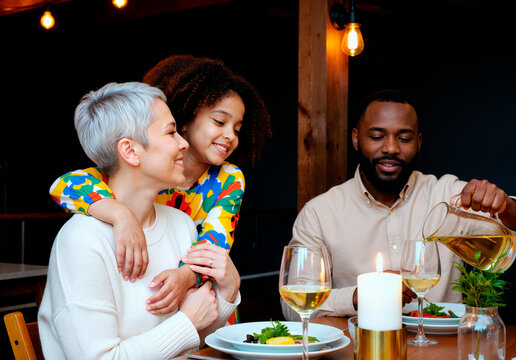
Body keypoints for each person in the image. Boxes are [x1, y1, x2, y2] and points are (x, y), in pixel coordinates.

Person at [49, 55, 270, 320]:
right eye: (220, 122)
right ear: (186, 120)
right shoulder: (147, 170)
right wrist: (122, 216)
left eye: (237, 128)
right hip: (153, 300)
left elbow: (215, 241)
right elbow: (65, 185)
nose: (231, 135)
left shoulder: (228, 178)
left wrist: (185, 277)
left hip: (202, 295)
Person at [38, 82, 241, 359]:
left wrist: (227, 293)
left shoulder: (181, 224)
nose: (183, 142)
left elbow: (196, 339)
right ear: (131, 151)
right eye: (171, 132)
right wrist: (187, 322)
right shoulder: (81, 241)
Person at [282, 89, 516, 319]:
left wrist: (505, 205)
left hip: (443, 350)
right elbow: (293, 309)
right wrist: (356, 296)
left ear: (419, 142)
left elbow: (508, 232)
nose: (391, 148)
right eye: (377, 136)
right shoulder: (320, 213)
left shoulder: (449, 195)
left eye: (404, 138)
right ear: (356, 139)